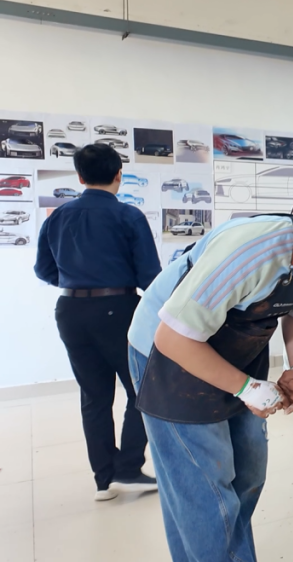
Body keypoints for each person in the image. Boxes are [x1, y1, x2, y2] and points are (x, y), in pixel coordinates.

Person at [126, 162, 293, 561]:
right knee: (204, 487)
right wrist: (246, 388)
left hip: (238, 351)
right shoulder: (252, 251)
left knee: (248, 473)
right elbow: (173, 336)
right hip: (169, 354)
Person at [34, 143, 161, 502]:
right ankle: (128, 467)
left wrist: (77, 280)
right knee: (143, 388)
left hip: (70, 311)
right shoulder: (128, 216)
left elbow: (43, 270)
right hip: (118, 309)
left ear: (80, 177)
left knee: (94, 396)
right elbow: (150, 277)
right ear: (119, 175)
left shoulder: (57, 217)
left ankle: (103, 480)